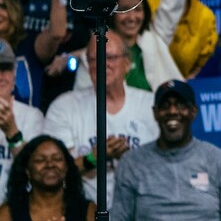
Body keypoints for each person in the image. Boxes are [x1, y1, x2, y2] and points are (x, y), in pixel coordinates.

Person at [111, 80, 221, 221]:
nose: (172, 111)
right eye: (165, 106)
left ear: (193, 112)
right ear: (155, 113)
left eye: (181, 105)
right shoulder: (131, 163)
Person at [44, 30, 158, 204]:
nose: (103, 64)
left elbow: (168, 167)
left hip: (143, 211)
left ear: (127, 64)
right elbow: (52, 173)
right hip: (86, 215)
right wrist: (93, 158)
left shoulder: (151, 106)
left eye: (110, 57)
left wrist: (130, 159)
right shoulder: (64, 107)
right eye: (94, 59)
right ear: (88, 66)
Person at [0, 135, 94, 221]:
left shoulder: (88, 210)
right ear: (27, 170)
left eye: (57, 159)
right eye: (40, 160)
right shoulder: (8, 212)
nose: (50, 165)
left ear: (66, 168)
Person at [0, 39, 43, 202]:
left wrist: (12, 131)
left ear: (15, 72)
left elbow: (35, 171)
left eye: (6, 68)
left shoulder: (33, 116)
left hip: (14, 212)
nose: (1, 76)